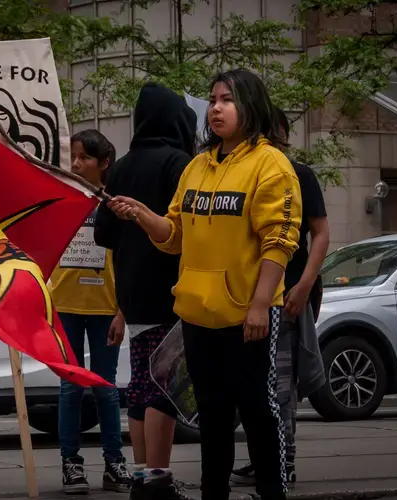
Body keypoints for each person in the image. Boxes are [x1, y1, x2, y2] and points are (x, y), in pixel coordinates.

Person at [106, 69, 303, 500]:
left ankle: (273, 492)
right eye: (213, 100)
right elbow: (172, 235)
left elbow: (280, 240)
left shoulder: (271, 164)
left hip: (248, 314)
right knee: (212, 415)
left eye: (227, 100)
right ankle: (214, 493)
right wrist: (141, 213)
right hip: (197, 314)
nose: (216, 108)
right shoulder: (196, 165)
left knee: (256, 409)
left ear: (251, 106)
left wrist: (259, 304)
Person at [94, 82, 197, 500]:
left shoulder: (120, 168)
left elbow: (104, 233)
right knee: (166, 385)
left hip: (130, 291)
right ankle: (158, 477)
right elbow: (189, 230)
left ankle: (140, 474)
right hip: (170, 290)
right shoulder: (180, 163)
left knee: (139, 383)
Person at [230, 107, 329, 487]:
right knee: (256, 383)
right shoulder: (242, 172)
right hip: (246, 296)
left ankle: (281, 464)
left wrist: (303, 286)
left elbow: (320, 234)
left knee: (280, 383)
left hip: (287, 295)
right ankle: (265, 457)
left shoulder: (299, 174)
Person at [50, 129, 133, 494]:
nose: (76, 163)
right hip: (64, 305)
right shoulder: (60, 198)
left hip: (105, 309)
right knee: (70, 388)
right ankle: (71, 464)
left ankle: (114, 464)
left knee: (105, 388)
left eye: (84, 157)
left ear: (104, 164)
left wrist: (122, 311)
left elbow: (128, 260)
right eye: (74, 156)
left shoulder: (116, 204)